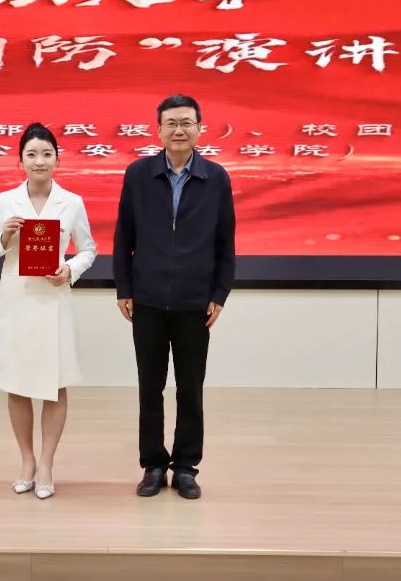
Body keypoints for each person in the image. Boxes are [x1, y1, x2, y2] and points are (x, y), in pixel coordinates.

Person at [112, 94, 236, 500]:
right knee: (150, 387)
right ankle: (152, 465)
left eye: (186, 122)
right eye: (171, 123)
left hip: (195, 302)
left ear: (200, 128)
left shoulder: (216, 178)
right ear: (159, 130)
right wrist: (124, 287)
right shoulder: (138, 174)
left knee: (190, 389)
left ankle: (185, 467)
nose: (179, 130)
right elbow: (123, 236)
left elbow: (226, 243)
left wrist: (219, 293)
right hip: (146, 300)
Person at [0, 122, 97, 499]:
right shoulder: (5, 201)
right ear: (20, 161)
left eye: (46, 154)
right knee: (18, 383)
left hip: (53, 300)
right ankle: (26, 460)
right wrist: (4, 236)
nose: (39, 161)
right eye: (31, 154)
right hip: (17, 301)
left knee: (55, 384)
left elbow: (89, 249)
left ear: (57, 159)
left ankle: (46, 462)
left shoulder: (72, 202)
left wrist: (69, 270)